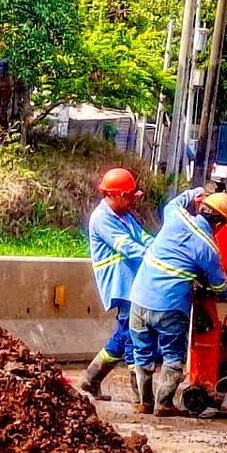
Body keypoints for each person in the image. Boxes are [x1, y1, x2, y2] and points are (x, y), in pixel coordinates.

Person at [128, 189, 227, 416]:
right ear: (219, 223)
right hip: (170, 305)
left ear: (201, 207)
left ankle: (144, 402)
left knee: (142, 352)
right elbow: (220, 287)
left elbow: (176, 201)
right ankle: (163, 403)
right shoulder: (208, 247)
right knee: (172, 354)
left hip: (139, 297)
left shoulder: (174, 214)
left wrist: (197, 191)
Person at [80, 167, 152, 401]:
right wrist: (156, 259)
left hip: (132, 284)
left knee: (124, 335)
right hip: (120, 284)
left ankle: (91, 378)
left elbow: (144, 238)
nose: (133, 200)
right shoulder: (102, 219)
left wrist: (161, 249)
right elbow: (127, 247)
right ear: (117, 195)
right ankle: (141, 393)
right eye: (130, 196)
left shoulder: (125, 216)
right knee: (133, 335)